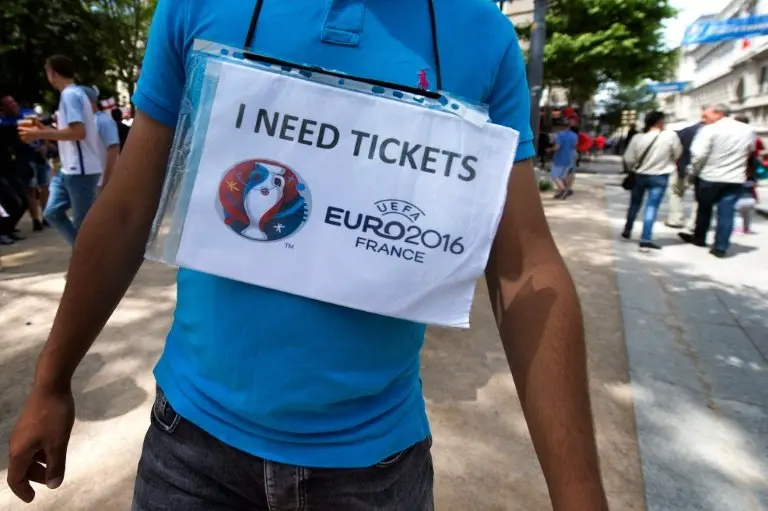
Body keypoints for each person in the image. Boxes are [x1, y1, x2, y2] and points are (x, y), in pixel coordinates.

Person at [7, 2, 608, 510]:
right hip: (189, 452)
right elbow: (125, 212)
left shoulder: (481, 33)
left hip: (376, 470)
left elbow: (526, 269)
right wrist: (51, 380)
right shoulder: (195, 6)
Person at [17, 55, 104, 246]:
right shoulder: (75, 94)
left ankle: (88, 262)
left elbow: (77, 132)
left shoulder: (70, 95)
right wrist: (44, 131)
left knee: (83, 225)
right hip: (70, 169)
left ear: (52, 73)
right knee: (52, 213)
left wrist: (39, 135)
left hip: (81, 171)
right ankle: (83, 255)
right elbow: (72, 135)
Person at [680, 104, 755, 258]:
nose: (703, 119)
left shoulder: (709, 130)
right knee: (726, 212)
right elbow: (750, 152)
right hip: (734, 178)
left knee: (704, 209)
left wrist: (692, 173)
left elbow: (698, 155)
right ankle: (720, 247)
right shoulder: (747, 130)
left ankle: (700, 238)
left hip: (709, 176)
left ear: (718, 114)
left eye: (706, 116)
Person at [622, 111, 682, 250]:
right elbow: (678, 153)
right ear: (660, 122)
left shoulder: (638, 137)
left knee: (635, 204)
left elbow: (628, 158)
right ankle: (646, 238)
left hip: (640, 175)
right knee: (652, 207)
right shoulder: (670, 136)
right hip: (660, 176)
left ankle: (627, 229)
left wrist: (634, 167)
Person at [0, 95, 52, 232]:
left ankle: (46, 216)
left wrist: (45, 146)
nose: (12, 105)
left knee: (45, 186)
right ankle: (35, 220)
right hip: (25, 158)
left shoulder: (29, 113)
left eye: (13, 101)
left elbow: (42, 129)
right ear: (3, 108)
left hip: (40, 154)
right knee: (31, 189)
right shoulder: (4, 122)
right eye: (8, 103)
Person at [665, 113, 704, 229]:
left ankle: (676, 219)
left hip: (683, 167)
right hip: (704, 171)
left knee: (676, 192)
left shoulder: (686, 131)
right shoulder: (715, 132)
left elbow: (676, 150)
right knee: (699, 198)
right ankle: (694, 223)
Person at [82, 86, 120, 189]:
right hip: (93, 182)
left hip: (103, 183)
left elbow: (113, 150)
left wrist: (106, 182)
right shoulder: (86, 122)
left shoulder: (103, 121)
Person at [548, 122, 578, 199]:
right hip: (569, 159)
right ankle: (559, 193)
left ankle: (563, 190)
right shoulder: (574, 136)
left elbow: (557, 147)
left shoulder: (560, 135)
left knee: (554, 176)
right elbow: (574, 146)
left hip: (559, 158)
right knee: (561, 177)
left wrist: (550, 149)